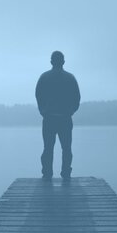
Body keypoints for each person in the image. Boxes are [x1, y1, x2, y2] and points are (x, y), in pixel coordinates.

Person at [35, 51, 81, 180]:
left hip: (49, 118)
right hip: (65, 119)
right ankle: (66, 173)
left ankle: (47, 173)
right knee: (66, 148)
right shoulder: (70, 78)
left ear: (51, 62)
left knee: (48, 148)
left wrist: (43, 111)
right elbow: (76, 98)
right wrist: (71, 111)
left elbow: (38, 96)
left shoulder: (44, 77)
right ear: (63, 62)